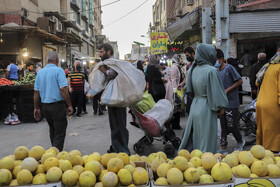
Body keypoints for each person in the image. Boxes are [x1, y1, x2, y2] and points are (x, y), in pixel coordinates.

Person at [178, 44, 228, 153]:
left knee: (197, 140)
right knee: (207, 142)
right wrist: (220, 107)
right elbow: (217, 93)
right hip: (207, 107)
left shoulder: (193, 69)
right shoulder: (211, 71)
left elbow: (189, 90)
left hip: (195, 105)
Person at [34, 51, 73, 151]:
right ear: (57, 60)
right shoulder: (58, 71)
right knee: (59, 131)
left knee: (53, 129)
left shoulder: (40, 73)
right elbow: (63, 89)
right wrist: (69, 105)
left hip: (45, 107)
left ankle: (53, 151)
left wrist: (36, 108)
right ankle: (55, 156)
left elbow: (36, 92)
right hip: (57, 106)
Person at [97, 43, 130, 155]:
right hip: (113, 98)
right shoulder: (107, 62)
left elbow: (113, 74)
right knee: (114, 124)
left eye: (101, 51)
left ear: (109, 52)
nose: (99, 54)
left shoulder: (114, 62)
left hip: (118, 98)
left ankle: (123, 149)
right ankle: (116, 146)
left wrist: (103, 70)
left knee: (119, 124)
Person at [215, 49, 245, 154]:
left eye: (215, 60)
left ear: (221, 59)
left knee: (231, 125)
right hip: (221, 103)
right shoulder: (216, 71)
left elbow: (240, 81)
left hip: (232, 102)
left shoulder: (229, 68)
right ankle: (223, 147)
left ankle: (240, 141)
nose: (214, 62)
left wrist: (227, 90)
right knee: (223, 125)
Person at [255, 45, 280, 152]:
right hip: (273, 105)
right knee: (273, 136)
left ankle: (261, 153)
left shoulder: (268, 66)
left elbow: (257, 82)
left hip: (261, 102)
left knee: (262, 131)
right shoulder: (279, 68)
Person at [165, 54, 185, 129]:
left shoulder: (177, 67)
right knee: (174, 107)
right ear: (177, 59)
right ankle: (173, 124)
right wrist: (175, 92)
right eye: (181, 59)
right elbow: (173, 80)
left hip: (176, 88)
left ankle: (176, 124)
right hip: (173, 89)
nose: (182, 60)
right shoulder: (174, 67)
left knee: (176, 107)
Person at [184, 47, 195, 115]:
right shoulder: (188, 66)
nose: (187, 57)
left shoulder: (198, 64)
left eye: (188, 55)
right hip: (190, 90)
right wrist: (182, 84)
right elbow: (186, 77)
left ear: (193, 53)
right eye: (186, 56)